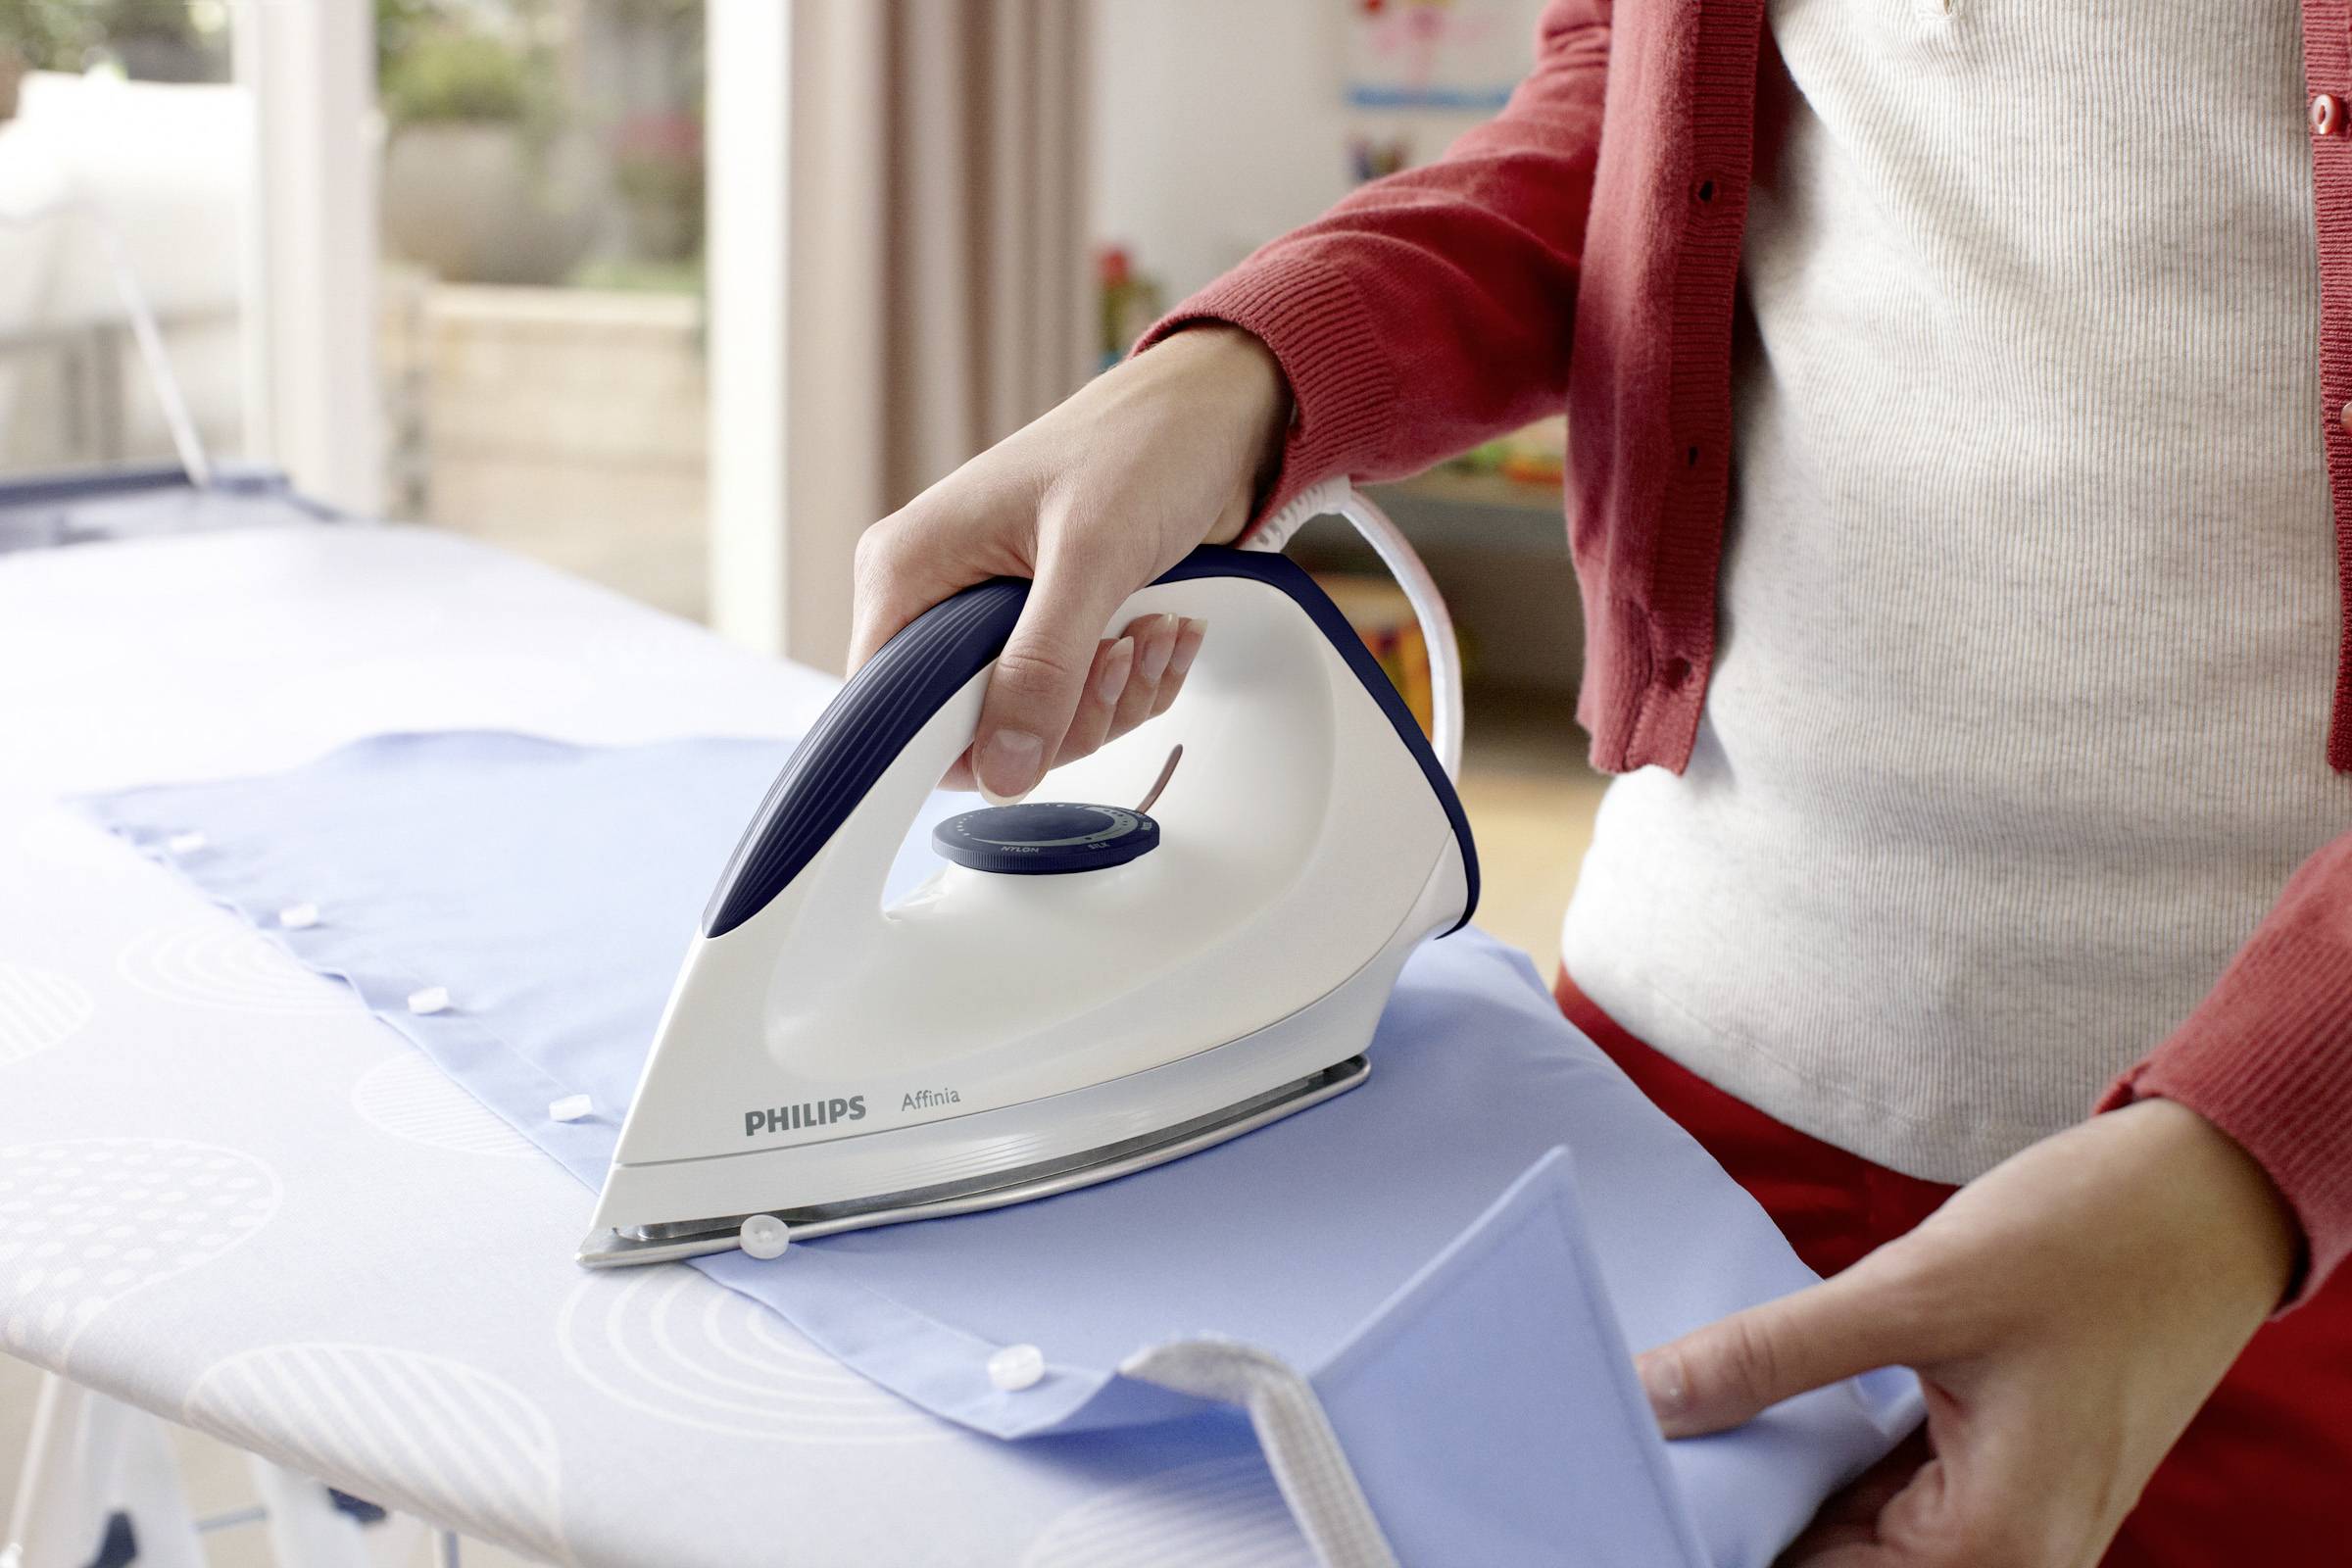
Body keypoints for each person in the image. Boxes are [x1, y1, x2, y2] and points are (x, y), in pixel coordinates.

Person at [849, 3, 2352, 1562]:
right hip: (1672, 1066)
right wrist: (1242, 372)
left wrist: (2251, 1165)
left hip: (2257, 1202)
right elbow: (1627, 112)